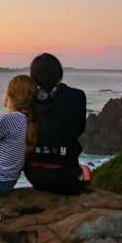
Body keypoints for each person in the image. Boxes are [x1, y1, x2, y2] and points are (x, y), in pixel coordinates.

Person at [23, 53, 88, 194]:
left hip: (34, 174)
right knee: (86, 170)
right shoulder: (77, 96)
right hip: (67, 175)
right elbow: (80, 129)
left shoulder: (27, 100)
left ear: (33, 76)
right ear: (59, 72)